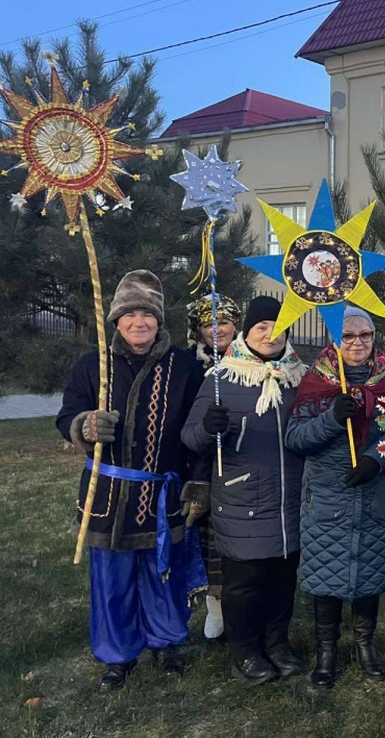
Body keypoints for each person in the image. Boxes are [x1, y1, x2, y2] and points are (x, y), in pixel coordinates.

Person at [57, 270, 203, 691]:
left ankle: (166, 643)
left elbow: (194, 435)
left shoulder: (184, 367)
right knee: (112, 581)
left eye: (147, 314)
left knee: (163, 574)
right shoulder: (93, 366)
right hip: (107, 494)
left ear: (159, 320)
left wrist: (199, 484)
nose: (139, 323)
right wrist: (84, 425)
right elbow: (66, 415)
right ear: (116, 320)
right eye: (130, 315)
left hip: (163, 491)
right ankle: (118, 655)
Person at [181, 296, 307, 685]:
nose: (270, 334)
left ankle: (277, 643)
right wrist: (210, 428)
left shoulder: (300, 377)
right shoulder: (223, 377)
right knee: (245, 583)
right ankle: (246, 651)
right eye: (260, 328)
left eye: (277, 326)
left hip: (289, 499)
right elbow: (190, 437)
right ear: (247, 333)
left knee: (283, 580)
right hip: (242, 498)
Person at [284, 307, 385, 687]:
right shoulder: (315, 382)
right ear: (335, 340)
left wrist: (376, 460)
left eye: (364, 336)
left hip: (374, 494)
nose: (357, 343)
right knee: (327, 575)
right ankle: (327, 650)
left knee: (369, 572)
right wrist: (331, 419)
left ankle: (365, 643)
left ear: (374, 339)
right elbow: (296, 438)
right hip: (328, 498)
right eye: (348, 336)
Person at [183, 293, 242, 641]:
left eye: (223, 321)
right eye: (208, 323)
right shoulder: (192, 366)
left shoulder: (250, 358)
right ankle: (215, 605)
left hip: (242, 459)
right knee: (209, 541)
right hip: (203, 463)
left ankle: (242, 605)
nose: (216, 329)